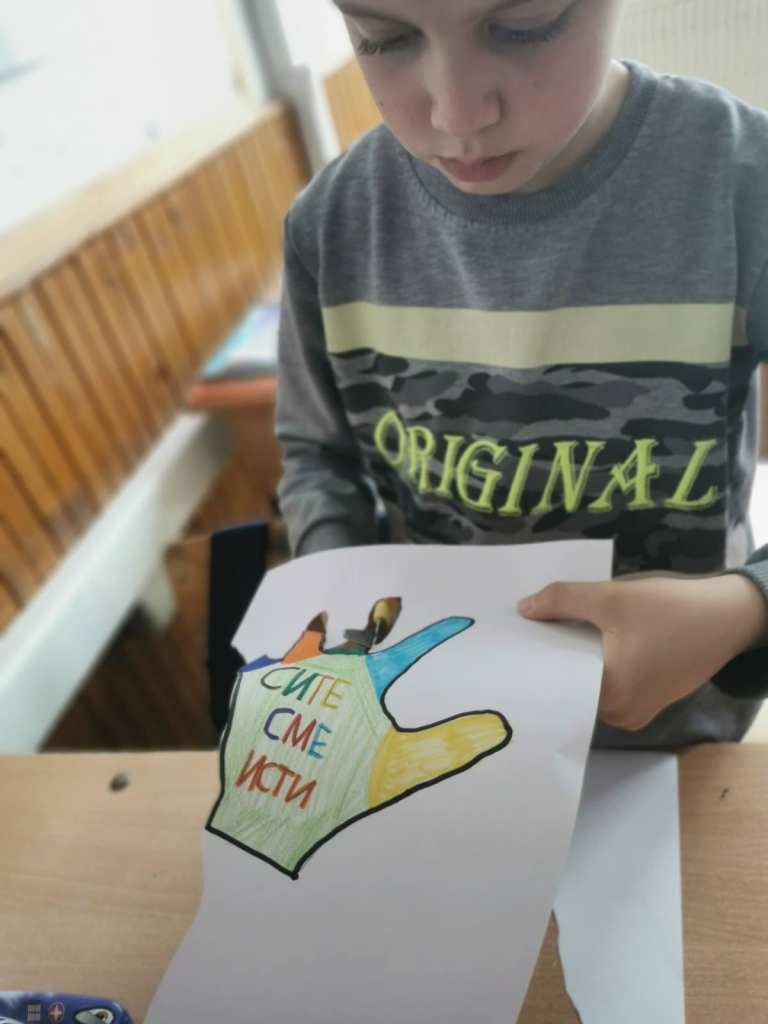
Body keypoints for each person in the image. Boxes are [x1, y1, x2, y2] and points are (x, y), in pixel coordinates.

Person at [274, 0, 768, 747]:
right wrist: (334, 590)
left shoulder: (742, 181)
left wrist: (746, 607)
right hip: (435, 711)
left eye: (526, 24)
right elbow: (317, 456)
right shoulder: (331, 225)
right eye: (384, 38)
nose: (457, 114)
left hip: (677, 735)